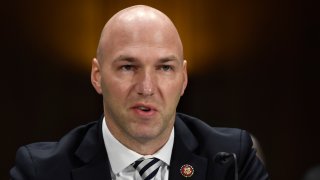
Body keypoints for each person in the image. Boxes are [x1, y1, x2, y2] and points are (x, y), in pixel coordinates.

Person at [10, 5, 269, 180]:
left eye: (165, 67)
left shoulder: (232, 160)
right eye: (127, 67)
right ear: (97, 77)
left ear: (183, 79)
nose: (146, 87)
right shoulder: (41, 171)